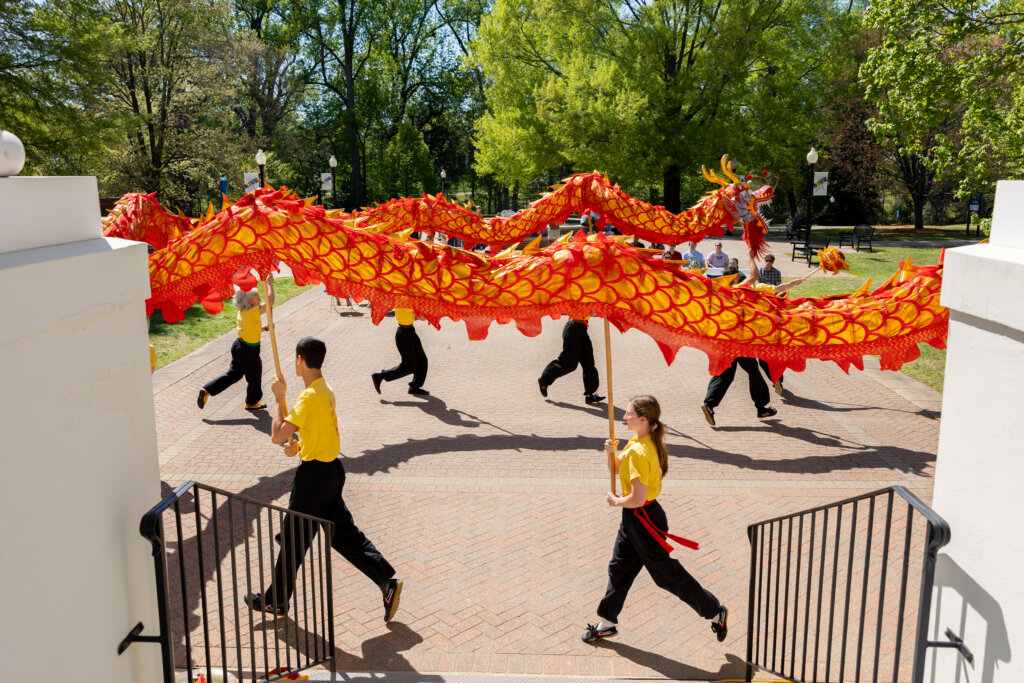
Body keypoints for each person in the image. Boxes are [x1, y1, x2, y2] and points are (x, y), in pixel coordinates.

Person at [245, 337, 402, 622]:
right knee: (343, 535)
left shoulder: (309, 396)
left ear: (299, 360)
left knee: (293, 539)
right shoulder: (324, 389)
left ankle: (275, 601)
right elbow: (313, 432)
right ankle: (386, 581)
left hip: (314, 479)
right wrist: (300, 447)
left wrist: (279, 397)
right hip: (330, 472)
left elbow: (277, 435)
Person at [582, 395, 728, 645]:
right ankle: (607, 622)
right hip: (636, 517)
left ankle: (715, 611)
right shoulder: (639, 440)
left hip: (643, 518)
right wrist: (611, 453)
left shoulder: (639, 450)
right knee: (619, 567)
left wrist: (617, 501)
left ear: (643, 418)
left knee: (666, 575)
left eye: (628, 413)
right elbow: (617, 470)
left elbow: (637, 498)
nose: (624, 416)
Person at [198, 276, 273, 411]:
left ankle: (207, 389)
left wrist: (266, 329)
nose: (260, 299)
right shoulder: (251, 312)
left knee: (234, 374)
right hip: (249, 351)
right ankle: (252, 402)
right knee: (255, 376)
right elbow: (270, 301)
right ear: (248, 301)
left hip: (239, 345)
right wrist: (270, 285)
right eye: (257, 297)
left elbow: (250, 329)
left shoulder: (243, 311)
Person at [538, 318, 605, 405]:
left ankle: (589, 395)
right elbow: (591, 312)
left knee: (588, 363)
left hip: (582, 329)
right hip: (573, 330)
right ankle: (544, 380)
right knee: (568, 364)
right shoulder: (579, 304)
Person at [372, 308, 430, 395]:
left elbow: (416, 318)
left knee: (422, 360)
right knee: (409, 366)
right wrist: (431, 313)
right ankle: (380, 376)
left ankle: (415, 387)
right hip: (404, 336)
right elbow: (422, 318)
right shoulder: (404, 303)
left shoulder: (406, 301)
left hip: (410, 332)